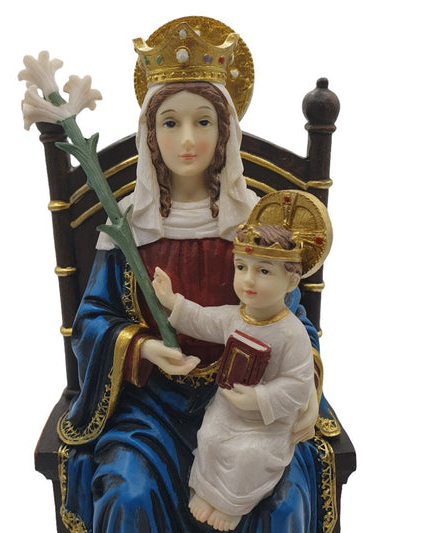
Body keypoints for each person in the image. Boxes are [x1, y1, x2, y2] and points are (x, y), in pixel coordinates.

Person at [56, 17, 334, 533]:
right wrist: (142, 348)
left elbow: (294, 328)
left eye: (203, 122)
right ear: (150, 132)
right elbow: (92, 320)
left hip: (248, 409)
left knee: (283, 503)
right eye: (170, 123)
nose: (187, 139)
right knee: (129, 493)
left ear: (225, 130)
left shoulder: (254, 223)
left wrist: (303, 389)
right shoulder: (126, 226)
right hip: (150, 410)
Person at [152, 223, 319, 531]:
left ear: (292, 280)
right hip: (228, 408)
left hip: (267, 423)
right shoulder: (235, 317)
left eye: (264, 271)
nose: (248, 280)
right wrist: (173, 301)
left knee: (247, 455)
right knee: (210, 437)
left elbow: (299, 383)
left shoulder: (292, 333)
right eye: (241, 267)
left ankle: (231, 505)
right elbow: (202, 319)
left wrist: (260, 398)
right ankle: (208, 494)